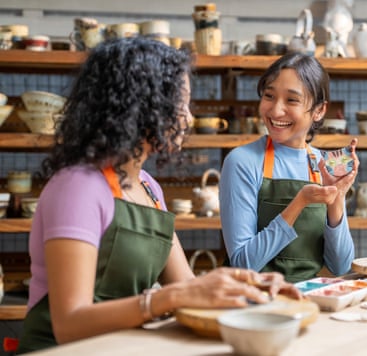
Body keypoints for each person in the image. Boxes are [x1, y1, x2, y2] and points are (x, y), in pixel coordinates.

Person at [17, 37, 301, 354]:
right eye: (181, 105)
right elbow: (69, 324)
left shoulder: (149, 188)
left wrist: (249, 285)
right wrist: (168, 299)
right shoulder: (78, 187)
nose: (189, 118)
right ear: (143, 105)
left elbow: (184, 286)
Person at [219, 52, 359, 283]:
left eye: (291, 100)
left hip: (311, 299)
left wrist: (336, 198)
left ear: (319, 110)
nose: (275, 110)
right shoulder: (242, 162)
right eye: (269, 96)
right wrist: (299, 202)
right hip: (255, 302)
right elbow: (243, 264)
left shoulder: (323, 165)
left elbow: (340, 266)